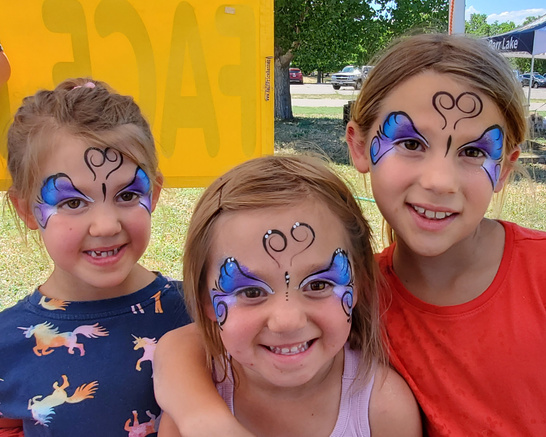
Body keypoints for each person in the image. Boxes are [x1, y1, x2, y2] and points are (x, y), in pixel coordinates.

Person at [153, 33, 546, 436]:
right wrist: (206, 420)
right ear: (358, 145)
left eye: (474, 152)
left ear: (505, 166)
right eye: (411, 142)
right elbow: (182, 347)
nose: (440, 181)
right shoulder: (345, 288)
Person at [155, 155, 422, 436]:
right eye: (252, 291)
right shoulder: (190, 409)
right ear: (206, 301)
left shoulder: (383, 410)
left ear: (360, 286)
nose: (287, 320)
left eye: (318, 286)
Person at [0, 78, 191, 436]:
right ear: (26, 211)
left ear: (155, 193)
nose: (105, 225)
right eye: (72, 202)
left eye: (127, 195)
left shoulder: (206, 316)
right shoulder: (6, 346)